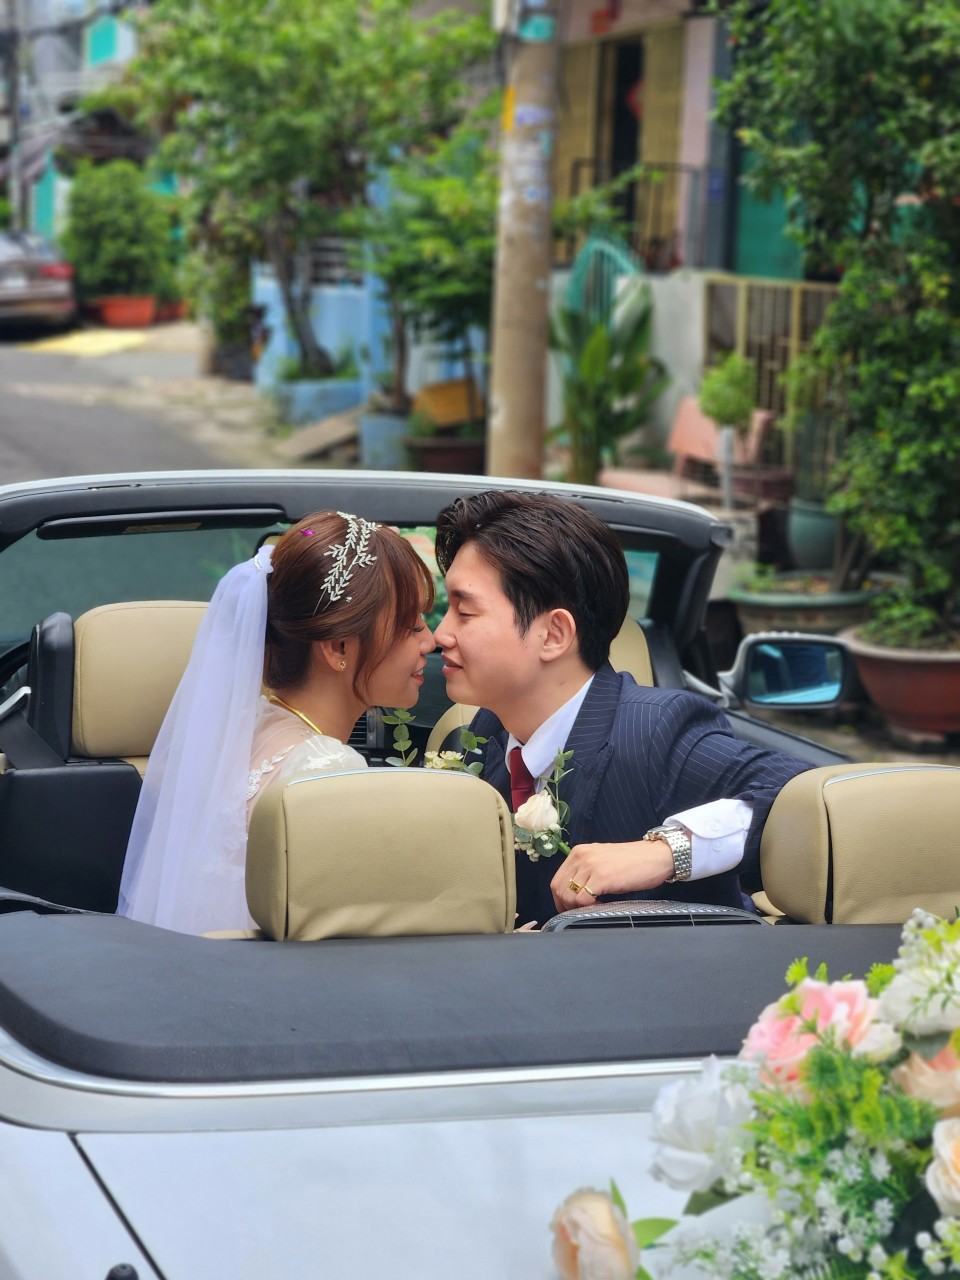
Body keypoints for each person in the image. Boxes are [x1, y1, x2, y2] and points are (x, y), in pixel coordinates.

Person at [433, 490, 812, 927]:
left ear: (554, 634)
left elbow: (802, 797)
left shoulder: (656, 731)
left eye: (464, 612)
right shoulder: (486, 734)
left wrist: (665, 851)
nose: (440, 634)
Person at [118, 511, 435, 935]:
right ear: (339, 647)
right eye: (412, 626)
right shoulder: (327, 770)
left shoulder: (244, 726)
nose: (431, 641)